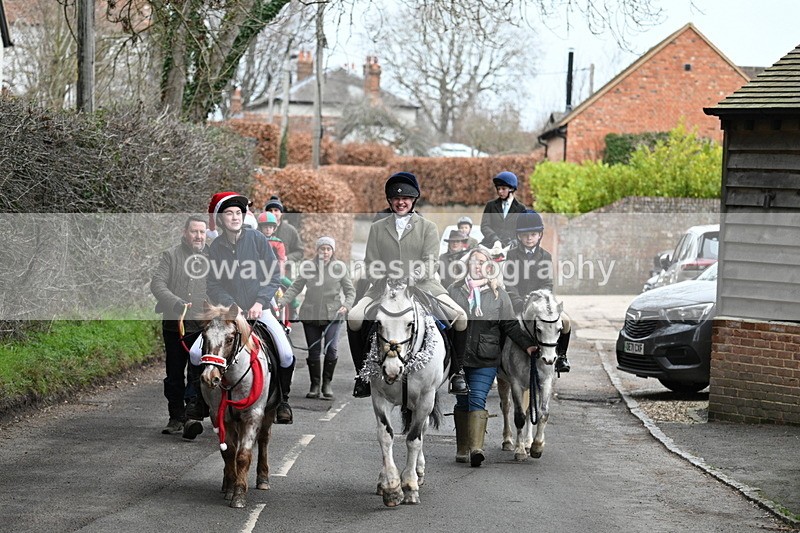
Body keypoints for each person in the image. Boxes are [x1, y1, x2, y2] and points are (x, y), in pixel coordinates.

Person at [347, 172, 469, 398]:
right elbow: (371, 262)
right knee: (354, 317)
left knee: (460, 317)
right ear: (389, 201)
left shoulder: (428, 227)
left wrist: (413, 276)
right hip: (384, 287)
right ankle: (362, 375)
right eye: (395, 198)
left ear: (414, 200)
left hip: (423, 286)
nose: (400, 202)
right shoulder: (378, 227)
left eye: (406, 198)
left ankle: (457, 373)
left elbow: (431, 261)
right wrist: (386, 275)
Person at [205, 192, 296, 425]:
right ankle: (198, 400)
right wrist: (230, 304)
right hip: (229, 313)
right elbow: (213, 283)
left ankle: (282, 400)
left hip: (260, 309)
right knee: (197, 353)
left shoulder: (257, 239)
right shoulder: (215, 247)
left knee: (286, 354)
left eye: (238, 213)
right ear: (221, 219)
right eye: (229, 213)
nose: (234, 217)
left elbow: (273, 275)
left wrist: (259, 302)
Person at [448, 245, 538, 467]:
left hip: (485, 357)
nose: (478, 266)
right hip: (458, 358)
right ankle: (462, 447)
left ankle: (476, 448)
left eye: (483, 262)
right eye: (474, 261)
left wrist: (528, 346)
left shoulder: (499, 294)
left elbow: (510, 325)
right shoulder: (454, 290)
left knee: (477, 397)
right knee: (462, 400)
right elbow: (444, 319)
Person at [150, 215, 209, 436]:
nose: (198, 236)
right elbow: (157, 283)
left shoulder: (212, 258)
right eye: (194, 231)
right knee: (174, 374)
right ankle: (175, 416)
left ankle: (192, 414)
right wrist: (175, 302)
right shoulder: (171, 256)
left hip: (201, 326)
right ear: (185, 232)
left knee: (198, 371)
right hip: (174, 325)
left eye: (202, 232)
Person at [279, 237, 355, 400]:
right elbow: (295, 287)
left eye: (328, 249)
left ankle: (326, 383)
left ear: (332, 251)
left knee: (331, 349)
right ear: (317, 250)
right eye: (322, 249)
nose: (325, 252)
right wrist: (281, 302)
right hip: (310, 314)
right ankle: (314, 385)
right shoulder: (308, 267)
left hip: (333, 314)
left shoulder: (340, 267)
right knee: (314, 351)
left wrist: (346, 306)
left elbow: (350, 291)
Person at [503, 209, 572, 374]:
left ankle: (561, 356)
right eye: (525, 234)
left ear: (540, 235)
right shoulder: (512, 255)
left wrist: (539, 303)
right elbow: (509, 283)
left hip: (540, 303)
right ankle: (499, 360)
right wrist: (518, 301)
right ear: (519, 236)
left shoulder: (545, 256)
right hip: (517, 303)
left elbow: (547, 283)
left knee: (566, 322)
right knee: (503, 324)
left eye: (533, 234)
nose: (529, 238)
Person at [479, 171, 527, 249]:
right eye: (498, 189)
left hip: (512, 248)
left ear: (511, 189)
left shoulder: (521, 208)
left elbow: (523, 230)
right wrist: (495, 240)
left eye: (503, 188)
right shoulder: (490, 205)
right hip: (491, 245)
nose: (500, 191)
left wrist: (514, 242)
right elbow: (485, 226)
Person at [264, 195, 304, 266]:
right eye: (270, 210)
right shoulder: (259, 230)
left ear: (281, 212)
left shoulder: (290, 230)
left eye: (276, 210)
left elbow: (300, 251)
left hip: (285, 269)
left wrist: (287, 258)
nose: (273, 213)